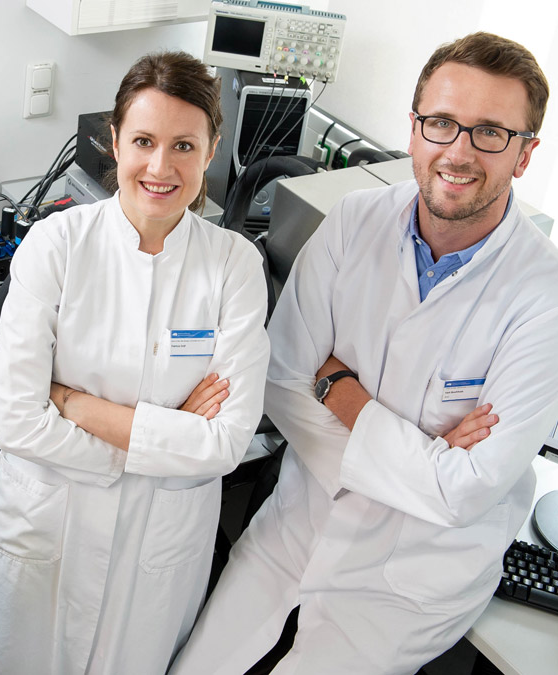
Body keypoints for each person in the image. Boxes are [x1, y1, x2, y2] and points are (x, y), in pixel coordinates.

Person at [171, 32, 558, 675]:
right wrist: (426, 457)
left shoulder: (544, 295)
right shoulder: (354, 221)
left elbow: (468, 493)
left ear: (524, 155)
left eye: (490, 132)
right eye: (441, 123)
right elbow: (285, 380)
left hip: (411, 585)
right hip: (294, 534)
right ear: (413, 130)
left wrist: (340, 387)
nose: (458, 151)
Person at [0, 51, 270, 674]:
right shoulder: (56, 245)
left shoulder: (234, 266)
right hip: (42, 538)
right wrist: (166, 439)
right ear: (114, 142)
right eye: (143, 140)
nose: (160, 166)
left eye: (183, 145)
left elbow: (225, 445)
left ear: (212, 150)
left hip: (155, 559)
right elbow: (16, 422)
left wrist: (72, 403)